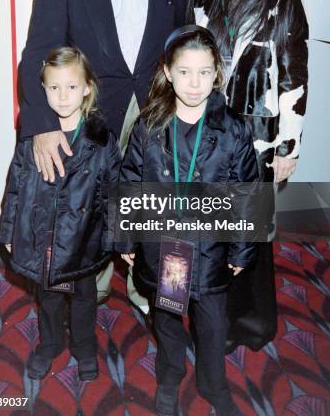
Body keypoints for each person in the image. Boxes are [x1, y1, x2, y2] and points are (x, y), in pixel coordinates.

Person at [19, 0, 190, 307]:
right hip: (89, 112)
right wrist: (41, 125)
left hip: (154, 108)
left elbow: (184, 43)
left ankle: (146, 287)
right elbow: (38, 52)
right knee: (85, 210)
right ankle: (87, 289)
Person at [188, 0, 309, 350]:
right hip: (209, 133)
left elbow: (295, 77)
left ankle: (250, 325)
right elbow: (187, 64)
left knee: (248, 237)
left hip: (258, 139)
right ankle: (209, 322)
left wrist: (288, 146)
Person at [118, 25, 259, 416]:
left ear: (217, 74)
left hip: (212, 249)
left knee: (212, 325)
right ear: (167, 71)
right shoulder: (150, 125)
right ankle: (169, 372)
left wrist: (243, 249)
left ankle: (214, 385)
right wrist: (127, 240)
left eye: (204, 72)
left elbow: (247, 193)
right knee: (166, 316)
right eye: (184, 72)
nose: (194, 84)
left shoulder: (232, 130)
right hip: (165, 246)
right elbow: (130, 181)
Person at [0, 47, 120, 380]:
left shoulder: (102, 137)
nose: (63, 96)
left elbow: (113, 191)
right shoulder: (33, 137)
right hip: (44, 236)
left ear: (86, 88)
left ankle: (84, 347)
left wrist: (115, 238)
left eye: (70, 87)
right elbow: (15, 184)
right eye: (54, 88)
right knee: (49, 297)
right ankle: (49, 345)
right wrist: (9, 232)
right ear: (43, 90)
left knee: (84, 297)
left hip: (83, 239)